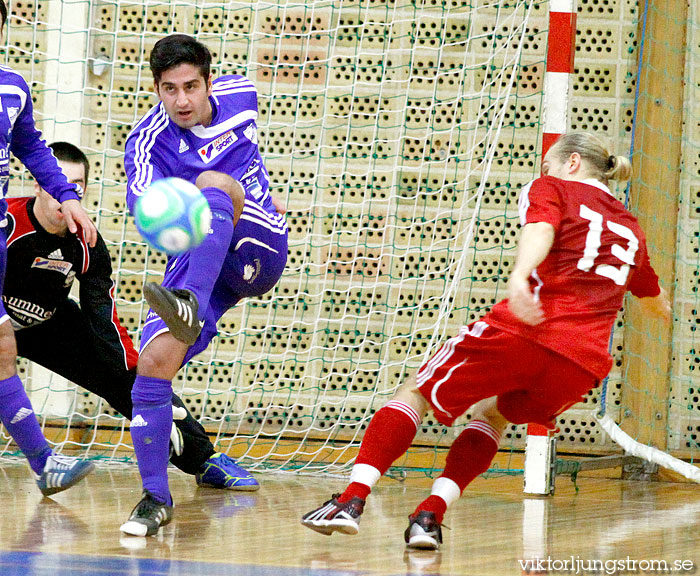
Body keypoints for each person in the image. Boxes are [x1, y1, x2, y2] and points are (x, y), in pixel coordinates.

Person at [301, 132, 672, 549]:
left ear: (570, 163)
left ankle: (350, 501)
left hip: (526, 331)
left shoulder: (552, 187)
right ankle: (429, 516)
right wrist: (665, 313)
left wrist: (520, 273)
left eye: (547, 164)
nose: (542, 172)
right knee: (492, 414)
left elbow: (542, 228)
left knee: (417, 391)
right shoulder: (629, 227)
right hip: (581, 365)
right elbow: (654, 298)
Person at [7, 141, 259, 490]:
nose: (65, 196)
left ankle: (204, 459)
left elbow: (103, 316)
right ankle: (43, 463)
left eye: (76, 187)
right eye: (58, 184)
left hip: (48, 322)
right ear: (38, 184)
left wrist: (134, 368)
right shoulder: (8, 222)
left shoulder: (86, 242)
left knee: (126, 375)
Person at [122, 34, 288, 536]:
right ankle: (154, 498)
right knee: (151, 368)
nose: (182, 101)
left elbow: (240, 166)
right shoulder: (146, 145)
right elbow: (146, 210)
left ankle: (188, 303)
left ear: (209, 81)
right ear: (156, 89)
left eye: (191, 86)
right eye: (169, 90)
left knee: (215, 184)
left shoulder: (242, 94)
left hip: (257, 239)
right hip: (200, 255)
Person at [0, 0, 98, 496]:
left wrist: (67, 196)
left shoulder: (12, 88)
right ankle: (43, 462)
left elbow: (33, 147)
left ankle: (44, 463)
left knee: (1, 351)